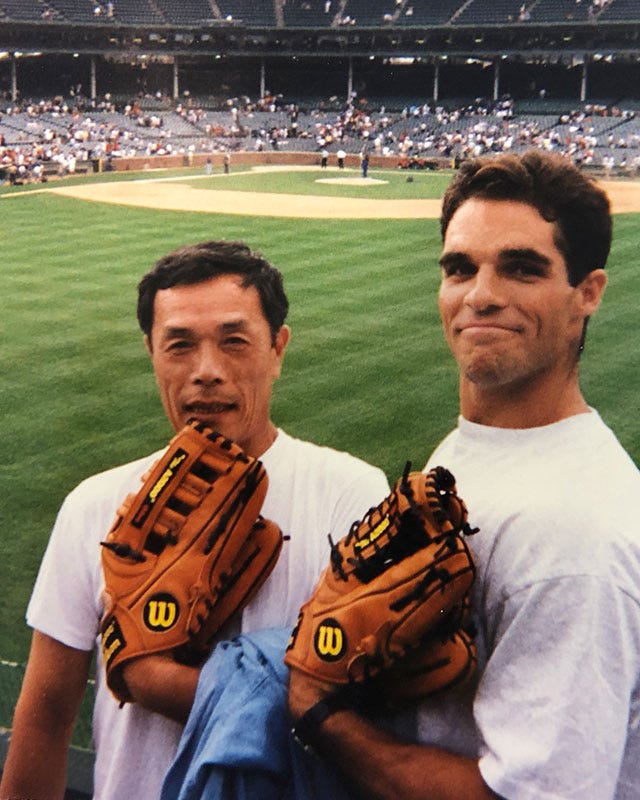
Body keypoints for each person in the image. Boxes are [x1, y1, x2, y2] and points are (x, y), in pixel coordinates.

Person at [288, 150, 640, 799]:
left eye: (521, 268)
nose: (480, 295)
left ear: (587, 293)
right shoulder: (473, 447)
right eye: (459, 268)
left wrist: (319, 712)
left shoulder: (574, 534)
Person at [0, 241, 389, 800]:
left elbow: (358, 710)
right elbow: (46, 713)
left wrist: (149, 675)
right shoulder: (94, 504)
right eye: (179, 345)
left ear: (278, 349)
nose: (206, 372)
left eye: (234, 342)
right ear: (151, 352)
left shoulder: (351, 495)